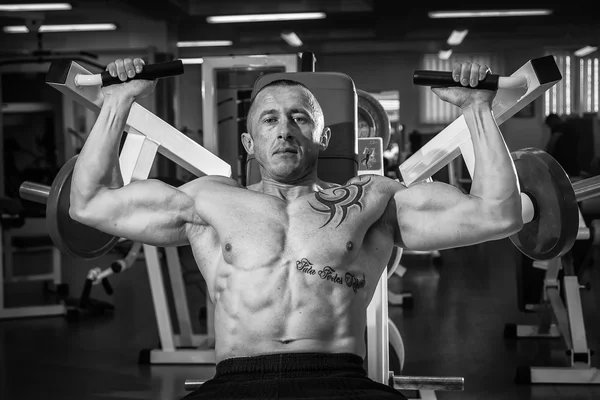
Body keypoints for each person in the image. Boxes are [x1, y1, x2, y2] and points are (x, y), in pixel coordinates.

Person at [69, 58, 524, 399]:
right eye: (269, 119)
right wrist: (117, 101)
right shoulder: (209, 200)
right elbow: (89, 203)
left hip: (339, 381)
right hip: (236, 383)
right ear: (250, 144)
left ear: (322, 138)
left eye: (299, 117)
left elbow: (497, 213)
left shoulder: (371, 200)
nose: (284, 129)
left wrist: (477, 108)